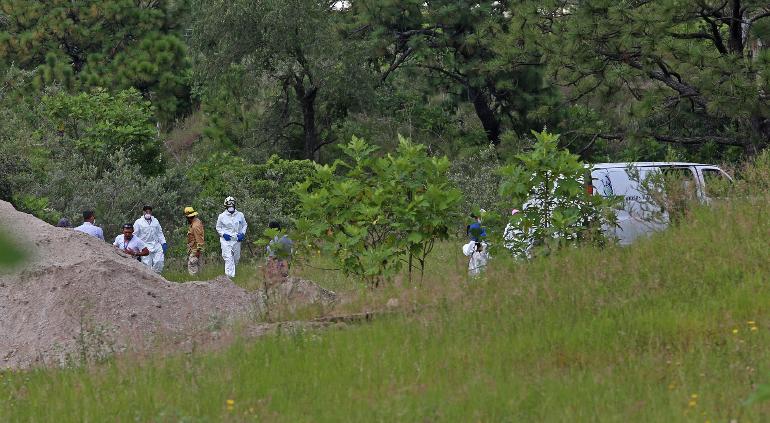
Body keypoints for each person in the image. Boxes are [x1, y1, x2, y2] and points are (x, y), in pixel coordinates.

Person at [215, 196, 247, 278]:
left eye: (232, 205)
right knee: (228, 258)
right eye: (229, 206)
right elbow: (218, 227)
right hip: (226, 240)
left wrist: (242, 234)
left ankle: (232, 276)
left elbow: (244, 225)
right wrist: (223, 234)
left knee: (236, 258)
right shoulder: (222, 216)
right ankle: (228, 277)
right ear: (226, 206)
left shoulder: (240, 215)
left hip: (236, 239)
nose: (231, 207)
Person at [132, 205, 167, 274]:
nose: (148, 213)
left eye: (149, 211)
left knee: (159, 262)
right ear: (143, 212)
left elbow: (159, 232)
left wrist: (163, 243)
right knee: (147, 265)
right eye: (146, 211)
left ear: (151, 212)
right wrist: (135, 247)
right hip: (145, 245)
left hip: (156, 244)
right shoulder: (138, 222)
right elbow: (135, 235)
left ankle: (157, 277)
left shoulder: (155, 221)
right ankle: (149, 279)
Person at [264, 221, 293, 285]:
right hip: (287, 268)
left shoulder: (273, 241)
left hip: (277, 273)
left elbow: (271, 258)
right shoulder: (288, 238)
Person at [184, 206, 205, 276]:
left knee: (192, 265)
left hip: (195, 250)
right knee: (198, 267)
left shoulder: (195, 226)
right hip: (195, 249)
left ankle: (194, 283)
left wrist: (198, 251)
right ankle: (200, 282)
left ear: (188, 217)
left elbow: (199, 239)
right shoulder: (197, 221)